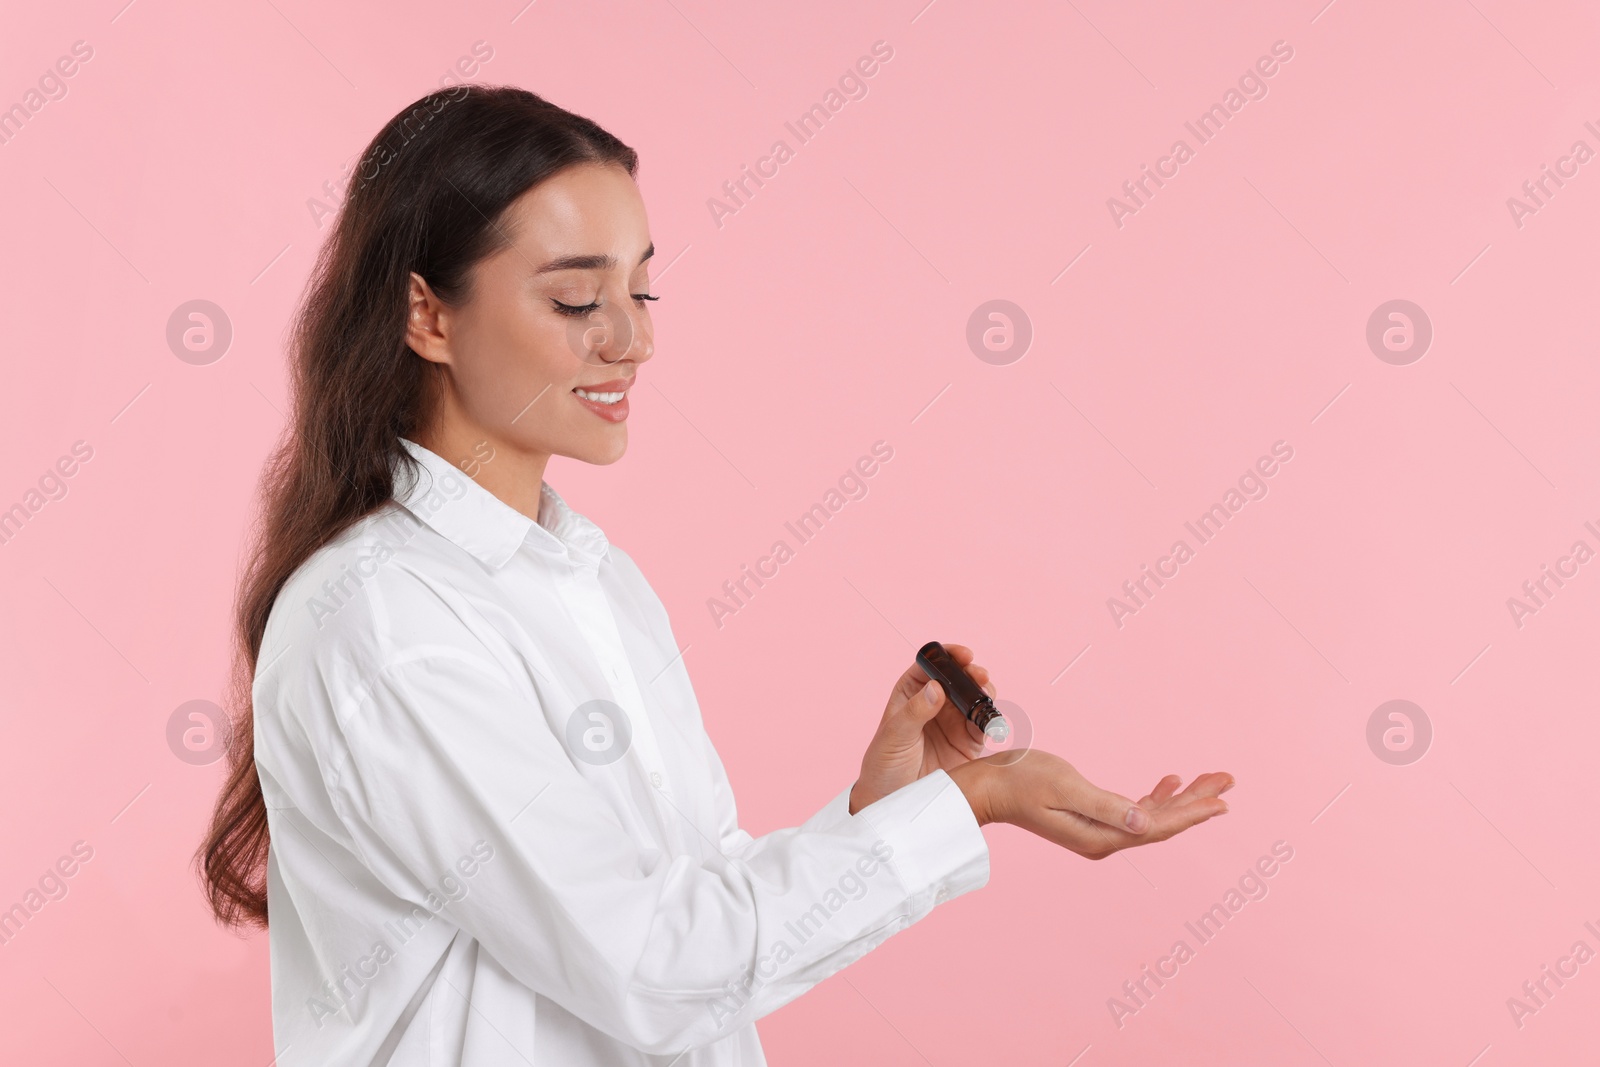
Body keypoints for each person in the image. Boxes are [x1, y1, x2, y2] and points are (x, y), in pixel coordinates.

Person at [197, 84, 1234, 1067]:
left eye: (641, 288)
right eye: (576, 299)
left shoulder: (591, 579)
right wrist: (975, 801)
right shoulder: (385, 618)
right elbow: (654, 968)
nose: (635, 338)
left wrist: (885, 809)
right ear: (426, 316)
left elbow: (690, 905)